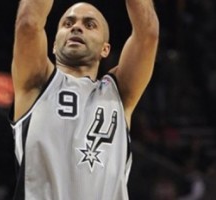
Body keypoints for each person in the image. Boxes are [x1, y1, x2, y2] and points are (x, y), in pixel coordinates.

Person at [9, 0, 159, 199]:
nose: (76, 27)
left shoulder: (120, 92)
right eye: (68, 24)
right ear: (53, 45)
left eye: (89, 25)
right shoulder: (37, 82)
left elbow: (148, 33)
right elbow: (28, 23)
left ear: (105, 49)